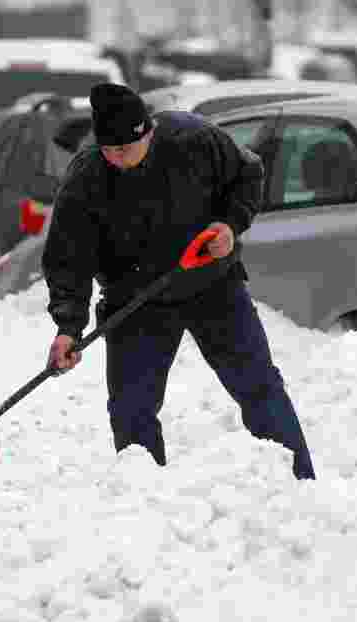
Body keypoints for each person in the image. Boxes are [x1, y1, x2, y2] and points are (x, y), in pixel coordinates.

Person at [41, 82, 316, 480]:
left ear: (147, 131)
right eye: (109, 150)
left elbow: (248, 174)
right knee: (131, 409)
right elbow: (69, 259)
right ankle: (144, 498)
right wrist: (68, 328)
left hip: (213, 286)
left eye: (126, 148)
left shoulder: (194, 139)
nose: (118, 159)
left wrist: (229, 224)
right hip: (135, 302)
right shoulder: (86, 178)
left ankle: (298, 484)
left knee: (259, 387)